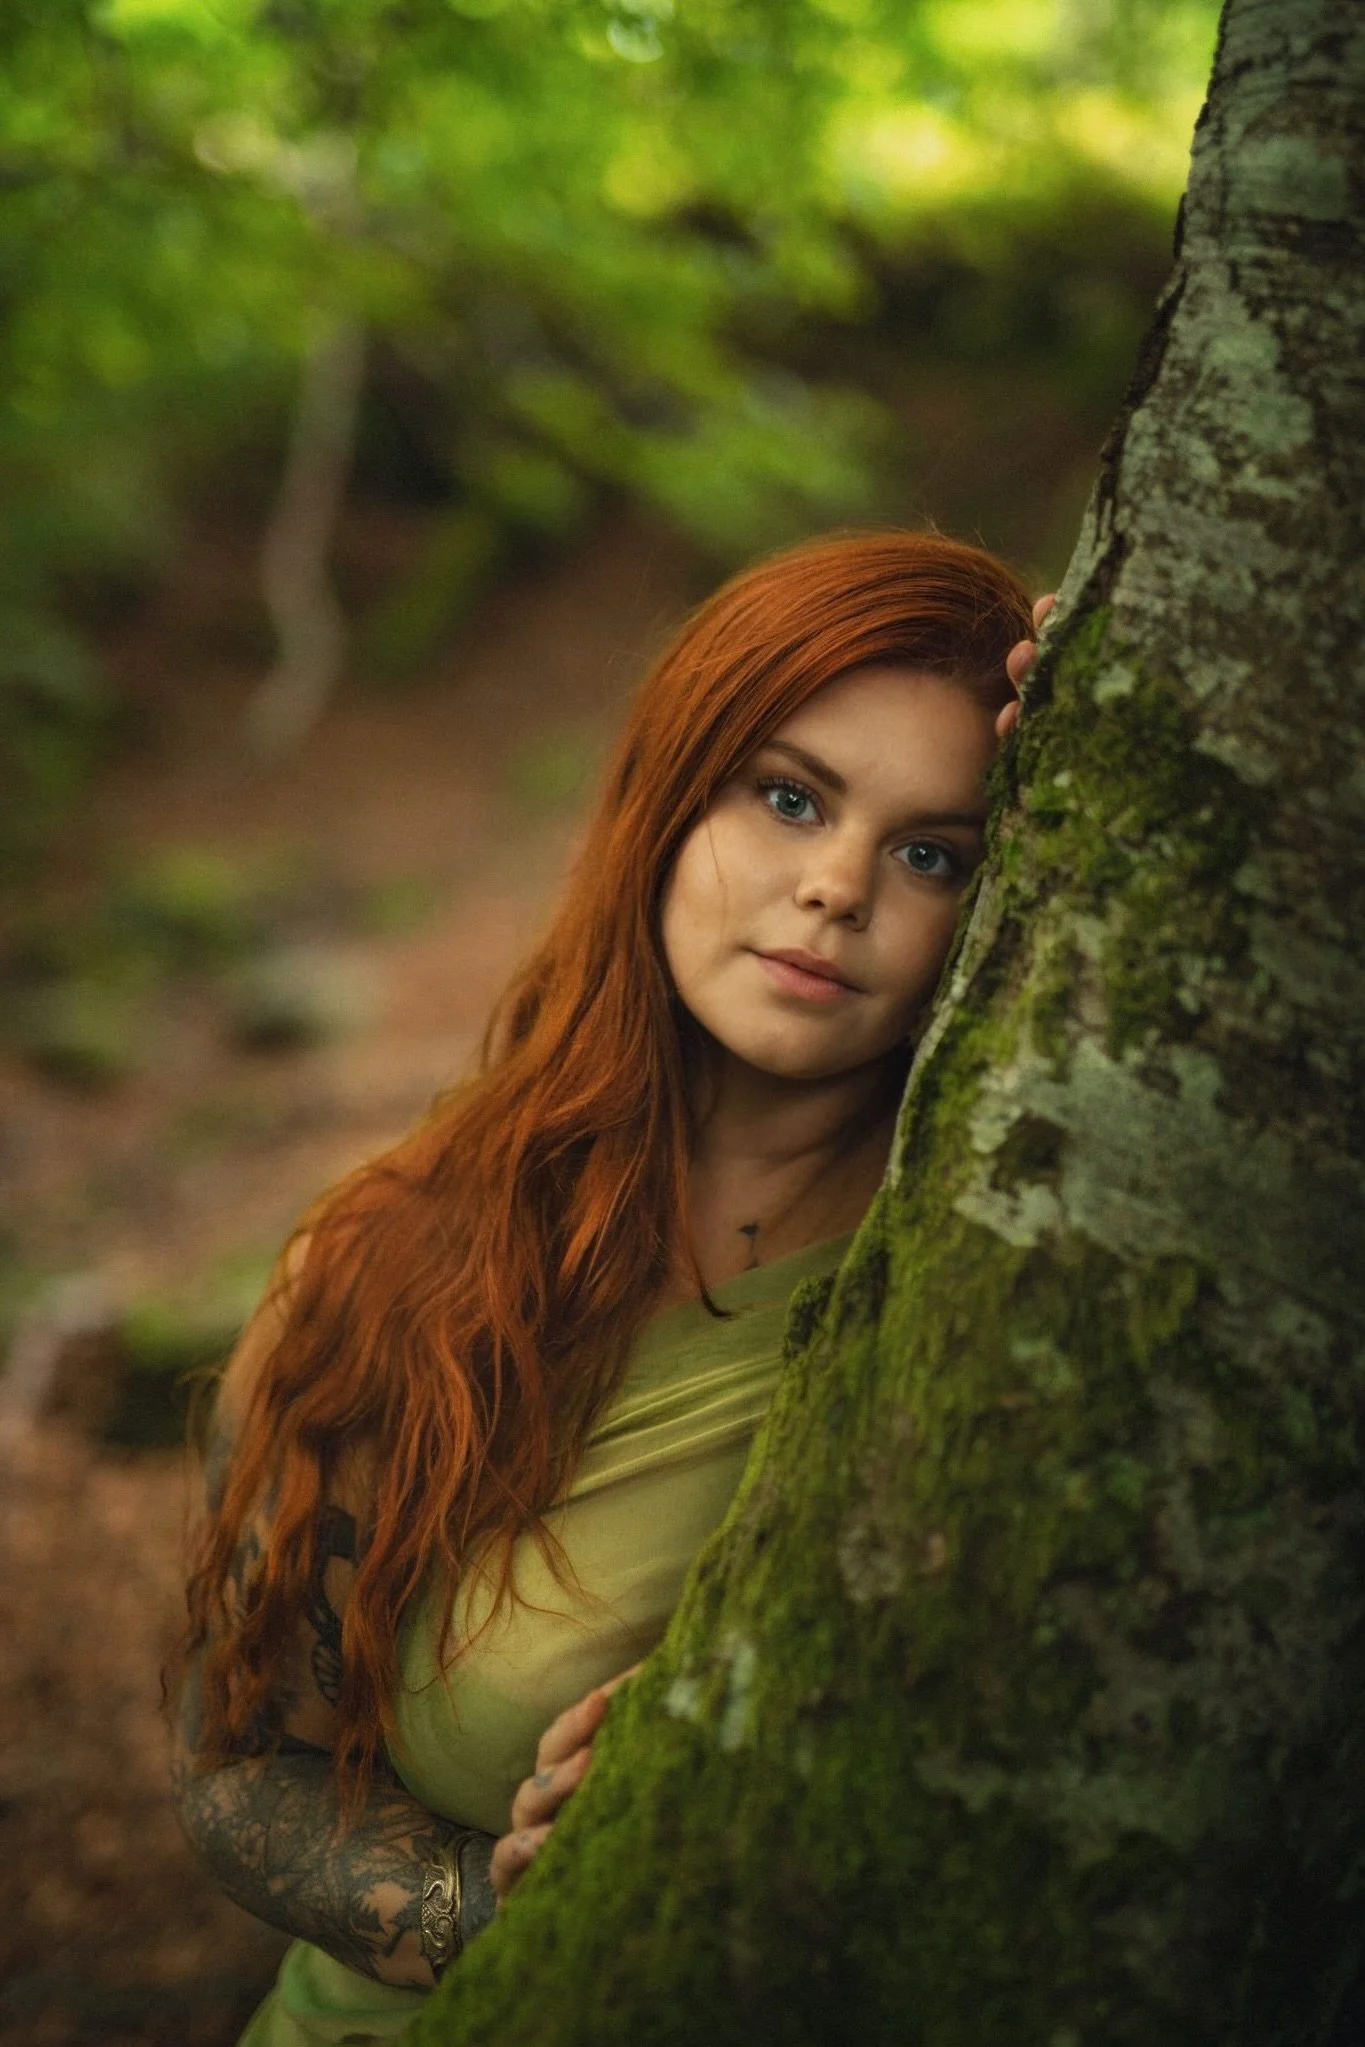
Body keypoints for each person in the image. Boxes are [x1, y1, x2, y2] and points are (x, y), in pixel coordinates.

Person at [172, 531, 1052, 2045]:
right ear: (670, 803)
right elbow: (242, 1771)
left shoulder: (989, 1279)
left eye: (935, 853)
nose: (836, 887)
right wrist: (495, 1903)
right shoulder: (392, 1259)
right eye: (789, 797)